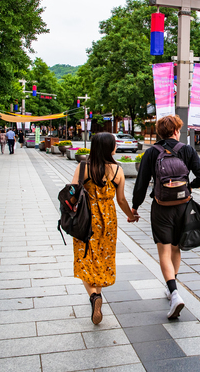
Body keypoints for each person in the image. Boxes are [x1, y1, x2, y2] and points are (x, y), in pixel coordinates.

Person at [132, 115, 200, 319]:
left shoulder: (151, 152)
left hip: (161, 207)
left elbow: (141, 184)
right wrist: (187, 187)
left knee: (164, 251)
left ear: (159, 132)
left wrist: (135, 207)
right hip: (183, 207)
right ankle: (172, 286)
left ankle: (174, 292)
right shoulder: (187, 150)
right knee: (176, 247)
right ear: (176, 131)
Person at [69, 132, 136, 324]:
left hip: (86, 218)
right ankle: (97, 295)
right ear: (110, 148)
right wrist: (131, 216)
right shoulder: (118, 170)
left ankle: (93, 297)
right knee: (103, 256)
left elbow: (72, 194)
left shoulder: (83, 168)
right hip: (108, 219)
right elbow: (121, 200)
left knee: (85, 257)